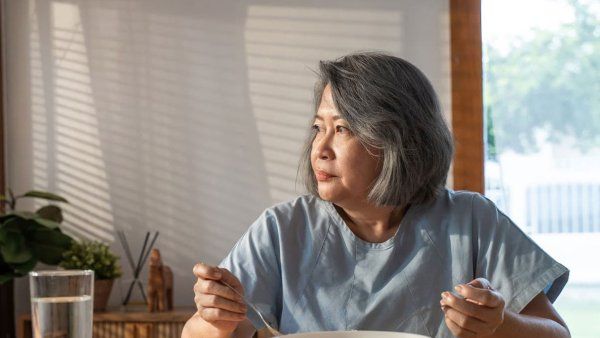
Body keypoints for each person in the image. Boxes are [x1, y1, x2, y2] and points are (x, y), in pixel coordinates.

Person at [182, 52, 570, 338]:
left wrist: (500, 325)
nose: (320, 148)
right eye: (319, 127)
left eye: (344, 129)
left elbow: (556, 334)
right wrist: (215, 319)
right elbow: (199, 333)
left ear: (398, 142)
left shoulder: (473, 220)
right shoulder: (282, 228)